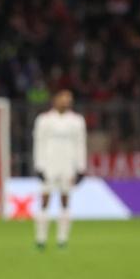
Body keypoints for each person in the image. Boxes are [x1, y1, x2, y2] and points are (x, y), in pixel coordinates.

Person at [33, 90, 87, 249]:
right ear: (55, 100)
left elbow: (80, 144)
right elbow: (38, 143)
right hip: (49, 164)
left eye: (68, 99)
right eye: (62, 98)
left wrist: (81, 167)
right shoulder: (44, 120)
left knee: (65, 200)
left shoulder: (77, 121)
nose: (65, 101)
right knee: (44, 200)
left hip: (67, 165)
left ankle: (62, 239)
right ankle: (40, 239)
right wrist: (38, 166)